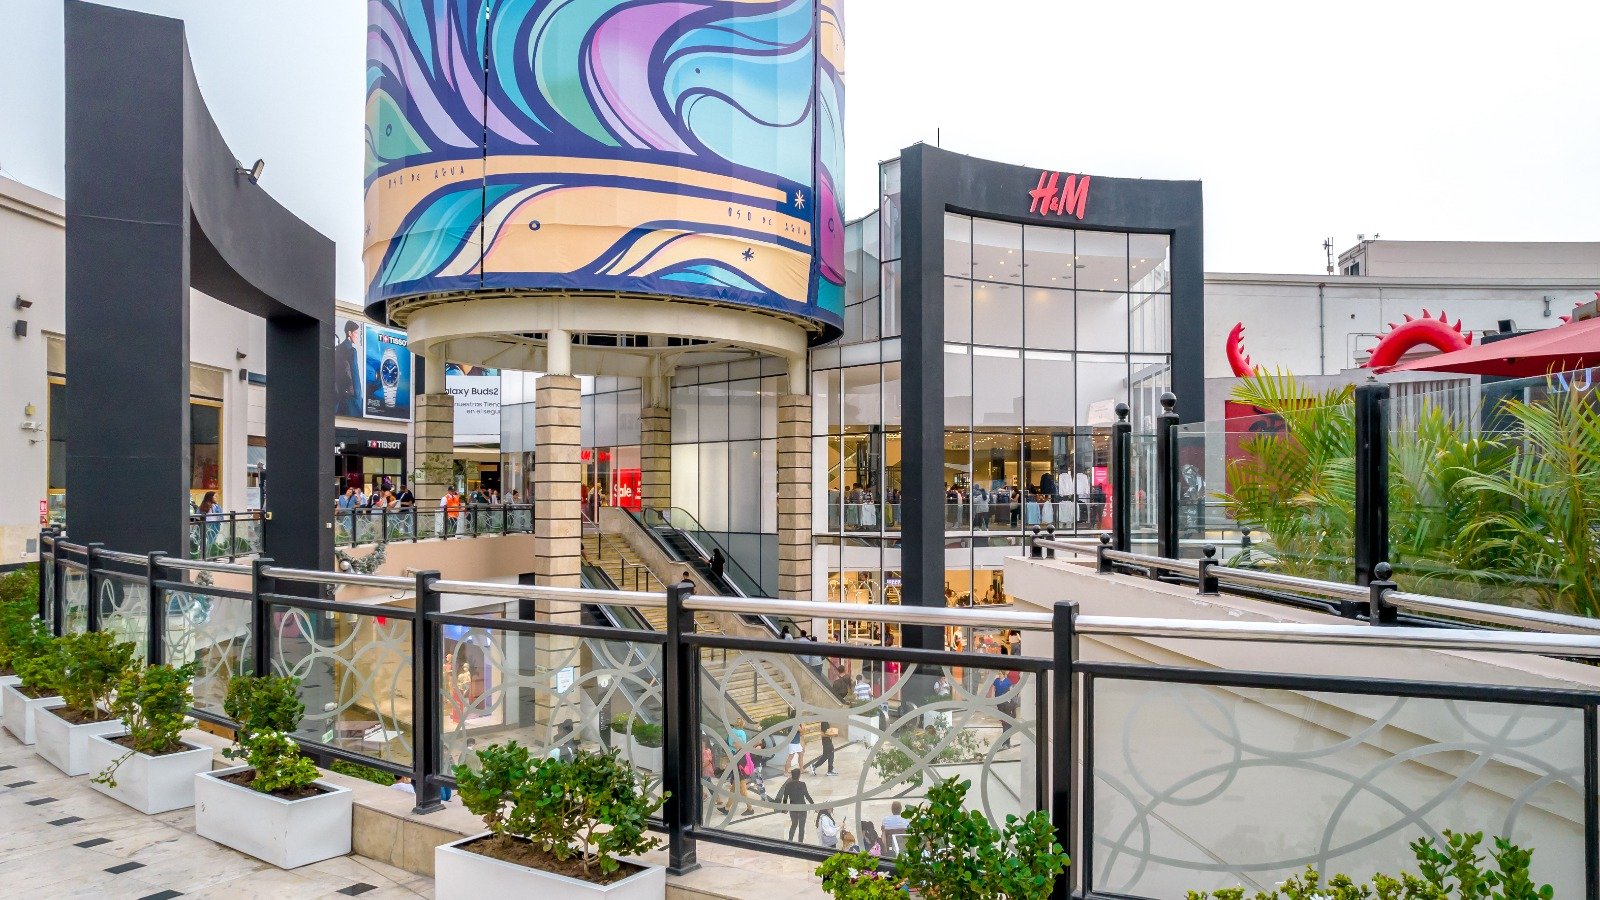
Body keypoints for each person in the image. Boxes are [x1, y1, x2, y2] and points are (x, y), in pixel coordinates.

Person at [727, 721, 756, 816]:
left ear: (739, 744)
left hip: (740, 776)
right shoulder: (740, 751)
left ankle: (750, 809)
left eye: (735, 742)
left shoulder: (741, 753)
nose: (733, 743)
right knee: (732, 791)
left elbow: (740, 764)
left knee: (743, 793)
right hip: (738, 775)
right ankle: (726, 808)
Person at [777, 769, 814, 841]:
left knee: (794, 824)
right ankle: (800, 843)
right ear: (799, 776)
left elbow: (785, 798)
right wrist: (813, 805)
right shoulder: (802, 784)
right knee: (801, 827)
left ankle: (790, 840)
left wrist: (784, 808)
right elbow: (807, 796)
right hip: (802, 808)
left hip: (793, 808)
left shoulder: (788, 785)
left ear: (792, 775)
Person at [335, 320, 362, 417]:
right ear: (349, 333)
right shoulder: (351, 351)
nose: (357, 336)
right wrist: (358, 395)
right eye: (355, 333)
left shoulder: (338, 349)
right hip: (350, 394)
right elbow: (355, 374)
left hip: (338, 394)